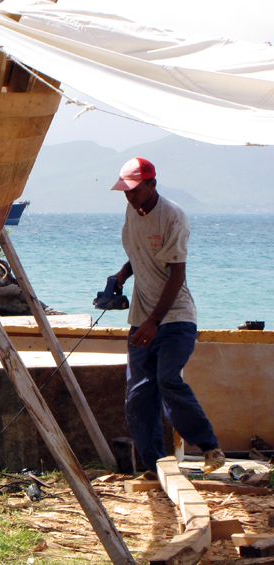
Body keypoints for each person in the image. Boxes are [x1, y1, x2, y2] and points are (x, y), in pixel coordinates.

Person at [109, 157, 225, 475]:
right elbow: (139, 255)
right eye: (125, 192)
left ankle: (209, 446)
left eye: (135, 190)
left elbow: (176, 275)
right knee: (137, 397)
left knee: (167, 380)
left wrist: (153, 321)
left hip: (175, 320)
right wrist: (121, 275)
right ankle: (155, 464)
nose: (130, 197)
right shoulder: (132, 214)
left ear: (152, 184)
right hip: (141, 320)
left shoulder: (173, 217)